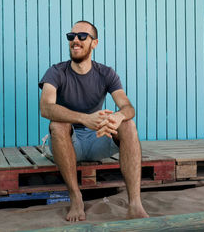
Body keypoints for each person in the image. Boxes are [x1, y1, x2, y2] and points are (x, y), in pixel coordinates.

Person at [39, 20, 149, 222]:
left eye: (82, 36)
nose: (76, 41)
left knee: (128, 125)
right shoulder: (56, 72)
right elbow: (45, 107)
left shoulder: (106, 73)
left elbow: (128, 108)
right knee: (57, 124)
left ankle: (135, 203)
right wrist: (83, 118)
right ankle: (76, 198)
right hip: (68, 143)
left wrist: (118, 116)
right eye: (71, 37)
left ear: (94, 43)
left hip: (98, 138)